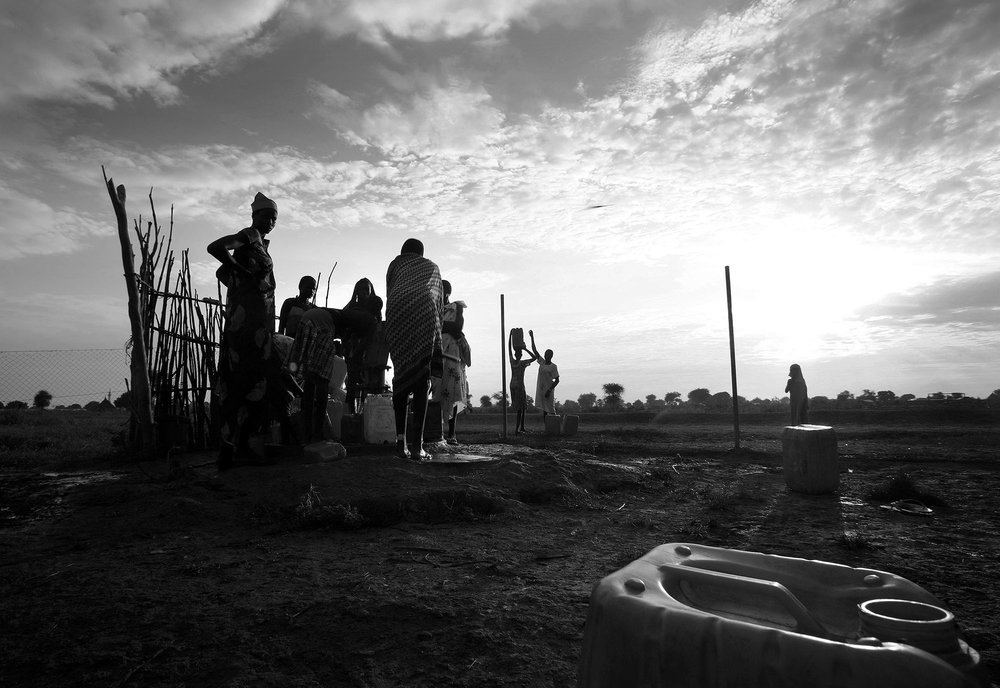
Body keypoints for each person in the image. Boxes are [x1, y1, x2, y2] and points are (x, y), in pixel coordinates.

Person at [208, 192, 278, 469]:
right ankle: (235, 449)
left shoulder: (261, 244)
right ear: (254, 216)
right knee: (242, 382)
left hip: (257, 326)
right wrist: (243, 273)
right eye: (266, 215)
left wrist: (240, 282)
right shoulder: (248, 236)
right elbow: (216, 248)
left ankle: (240, 448)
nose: (271, 221)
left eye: (274, 217)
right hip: (246, 328)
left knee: (252, 384)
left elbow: (222, 275)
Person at [384, 238, 443, 461]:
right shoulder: (432, 267)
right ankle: (418, 447)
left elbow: (390, 292)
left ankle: (401, 444)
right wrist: (436, 331)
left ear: (403, 252)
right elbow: (438, 302)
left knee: (401, 378)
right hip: (423, 313)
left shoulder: (395, 264)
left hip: (398, 311)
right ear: (422, 253)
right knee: (421, 379)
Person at [287, 307, 338, 443]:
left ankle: (309, 434)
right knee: (321, 380)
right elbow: (286, 374)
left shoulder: (294, 345)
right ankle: (315, 434)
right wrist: (299, 391)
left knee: (312, 378)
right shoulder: (285, 349)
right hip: (320, 326)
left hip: (314, 324)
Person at [433, 280, 470, 445]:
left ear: (447, 292)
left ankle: (452, 434)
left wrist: (441, 325)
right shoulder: (433, 309)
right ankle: (436, 431)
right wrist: (447, 327)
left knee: (453, 394)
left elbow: (458, 327)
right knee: (436, 393)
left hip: (453, 357)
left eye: (443, 291)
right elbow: (449, 328)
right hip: (437, 354)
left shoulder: (456, 307)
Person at [342, 278, 384, 413]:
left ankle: (366, 414)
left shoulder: (375, 310)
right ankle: (351, 414)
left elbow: (379, 330)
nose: (364, 292)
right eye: (361, 289)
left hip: (372, 353)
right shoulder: (350, 309)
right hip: (353, 350)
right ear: (356, 291)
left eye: (367, 289)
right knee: (352, 383)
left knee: (370, 385)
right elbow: (344, 331)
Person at [509, 328, 538, 434]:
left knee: (520, 407)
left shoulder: (512, 361)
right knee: (522, 408)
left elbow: (509, 350)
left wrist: (510, 336)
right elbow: (534, 357)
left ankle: (520, 428)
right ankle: (518, 429)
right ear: (520, 355)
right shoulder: (522, 363)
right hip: (519, 385)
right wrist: (524, 348)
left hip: (512, 384)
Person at [530, 329, 559, 422]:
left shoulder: (553, 366)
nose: (546, 356)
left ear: (551, 356)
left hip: (548, 391)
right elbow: (534, 350)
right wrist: (532, 337)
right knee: (544, 410)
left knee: (551, 408)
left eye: (548, 355)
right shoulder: (542, 362)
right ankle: (547, 426)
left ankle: (555, 425)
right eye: (545, 354)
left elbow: (557, 380)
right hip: (541, 389)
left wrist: (549, 390)